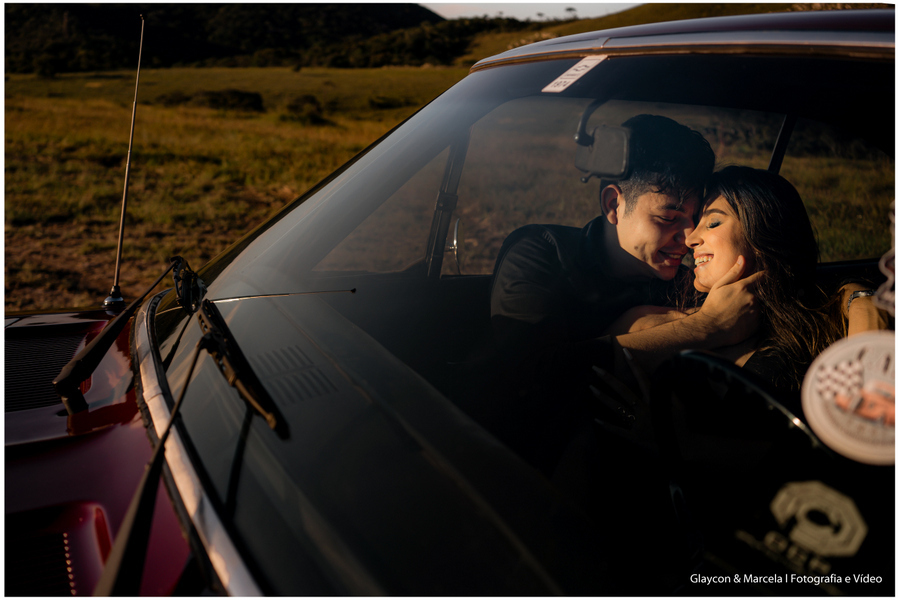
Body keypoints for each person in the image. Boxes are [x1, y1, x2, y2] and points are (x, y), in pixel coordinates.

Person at [481, 115, 761, 471]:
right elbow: (530, 376)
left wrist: (854, 293)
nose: (689, 239)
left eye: (694, 220)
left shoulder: (684, 284)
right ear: (614, 204)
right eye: (669, 218)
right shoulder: (541, 254)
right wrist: (704, 327)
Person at [608, 165, 846, 395]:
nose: (690, 239)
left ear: (762, 235)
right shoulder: (644, 323)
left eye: (712, 223)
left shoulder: (828, 331)